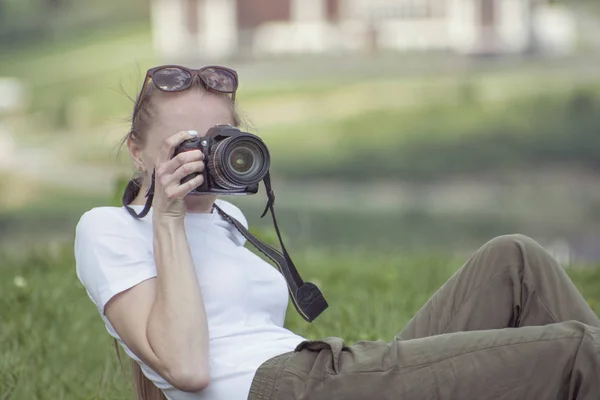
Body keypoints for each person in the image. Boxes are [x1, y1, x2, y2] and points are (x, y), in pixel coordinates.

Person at [75, 65, 600, 400]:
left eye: (216, 140)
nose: (201, 158)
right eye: (182, 144)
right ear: (137, 151)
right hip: (289, 387)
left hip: (325, 371)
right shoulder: (109, 229)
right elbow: (187, 370)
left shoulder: (226, 219)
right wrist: (166, 216)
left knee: (515, 261)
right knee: (576, 352)